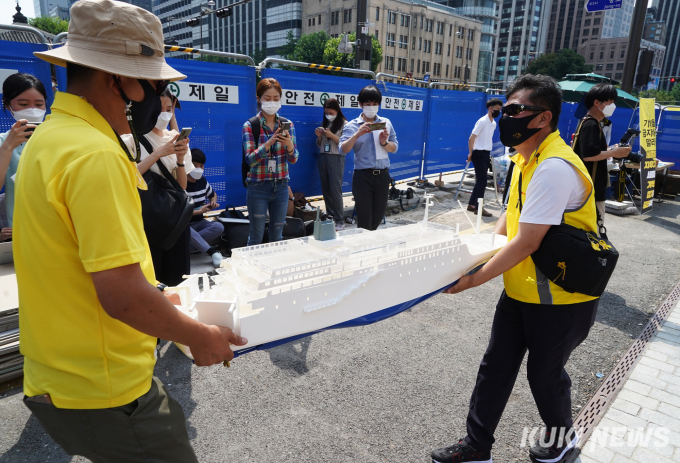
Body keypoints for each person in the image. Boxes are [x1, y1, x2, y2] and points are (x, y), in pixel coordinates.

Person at [13, 2, 247, 462]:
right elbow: (120, 295)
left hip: (59, 374)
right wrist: (200, 337)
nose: (159, 99)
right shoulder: (95, 155)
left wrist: (158, 292)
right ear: (113, 78)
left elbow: (75, 256)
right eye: (154, 85)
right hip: (105, 388)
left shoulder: (52, 139)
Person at [431, 75, 600, 463]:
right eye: (503, 109)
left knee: (544, 376)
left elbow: (527, 242)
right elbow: (510, 220)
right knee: (495, 367)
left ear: (543, 118)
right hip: (522, 290)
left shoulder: (555, 166)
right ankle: (476, 446)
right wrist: (473, 254)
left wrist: (470, 281)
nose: (504, 117)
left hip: (561, 297)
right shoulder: (526, 160)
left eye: (513, 110)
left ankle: (562, 440)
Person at [121, 86, 193, 286]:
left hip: (175, 220)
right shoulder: (130, 139)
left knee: (179, 281)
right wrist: (158, 154)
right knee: (152, 280)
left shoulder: (174, 138)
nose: (165, 114)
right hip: (147, 221)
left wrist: (179, 158)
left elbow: (181, 186)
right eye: (160, 108)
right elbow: (127, 178)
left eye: (169, 109)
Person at [242, 77, 299, 246]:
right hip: (258, 186)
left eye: (276, 98)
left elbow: (294, 158)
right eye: (267, 98)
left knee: (277, 236)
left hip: (281, 185)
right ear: (258, 99)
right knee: (256, 236)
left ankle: (274, 269)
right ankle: (252, 271)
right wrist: (269, 143)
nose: (272, 102)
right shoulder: (250, 125)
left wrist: (289, 144)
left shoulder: (287, 125)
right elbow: (250, 159)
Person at [340, 85, 398, 231]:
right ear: (360, 104)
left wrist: (384, 142)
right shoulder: (352, 126)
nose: (371, 107)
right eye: (367, 104)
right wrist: (357, 134)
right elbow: (343, 149)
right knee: (365, 220)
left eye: (375, 104)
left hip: (383, 176)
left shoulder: (386, 122)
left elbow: (394, 147)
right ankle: (364, 248)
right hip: (363, 176)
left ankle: (370, 245)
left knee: (378, 217)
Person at [573, 83, 631, 228]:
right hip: (590, 186)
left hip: (586, 185)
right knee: (595, 228)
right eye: (610, 102)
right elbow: (588, 155)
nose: (613, 106)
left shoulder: (591, 123)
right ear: (597, 102)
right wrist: (613, 152)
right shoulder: (591, 124)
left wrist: (612, 150)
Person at [0, 73, 47, 241]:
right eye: (23, 104)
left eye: (39, 104)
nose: (33, 109)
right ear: (7, 105)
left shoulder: (56, 138)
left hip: (57, 230)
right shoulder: (2, 142)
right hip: (23, 234)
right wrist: (7, 148)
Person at [187, 148, 224, 267]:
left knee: (218, 226)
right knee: (185, 230)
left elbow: (213, 195)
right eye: (195, 165)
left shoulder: (202, 181)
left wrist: (212, 203)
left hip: (199, 224)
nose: (199, 168)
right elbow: (178, 212)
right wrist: (199, 211)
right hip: (184, 225)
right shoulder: (180, 182)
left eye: (201, 165)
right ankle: (211, 252)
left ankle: (187, 247)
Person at [315, 98, 348, 230]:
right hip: (323, 157)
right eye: (326, 112)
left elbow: (344, 143)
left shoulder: (345, 124)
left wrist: (331, 135)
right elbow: (320, 145)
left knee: (335, 189)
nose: (328, 115)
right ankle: (330, 216)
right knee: (326, 188)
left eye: (331, 112)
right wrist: (319, 136)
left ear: (337, 110)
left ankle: (340, 219)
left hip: (336, 157)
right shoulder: (325, 123)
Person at [467, 98, 503, 217]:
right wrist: (470, 153)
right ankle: (479, 207)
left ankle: (472, 204)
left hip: (486, 153)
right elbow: (471, 138)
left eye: (500, 109)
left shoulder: (493, 123)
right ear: (490, 109)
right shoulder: (482, 121)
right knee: (482, 181)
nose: (499, 111)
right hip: (478, 153)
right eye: (497, 109)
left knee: (480, 180)